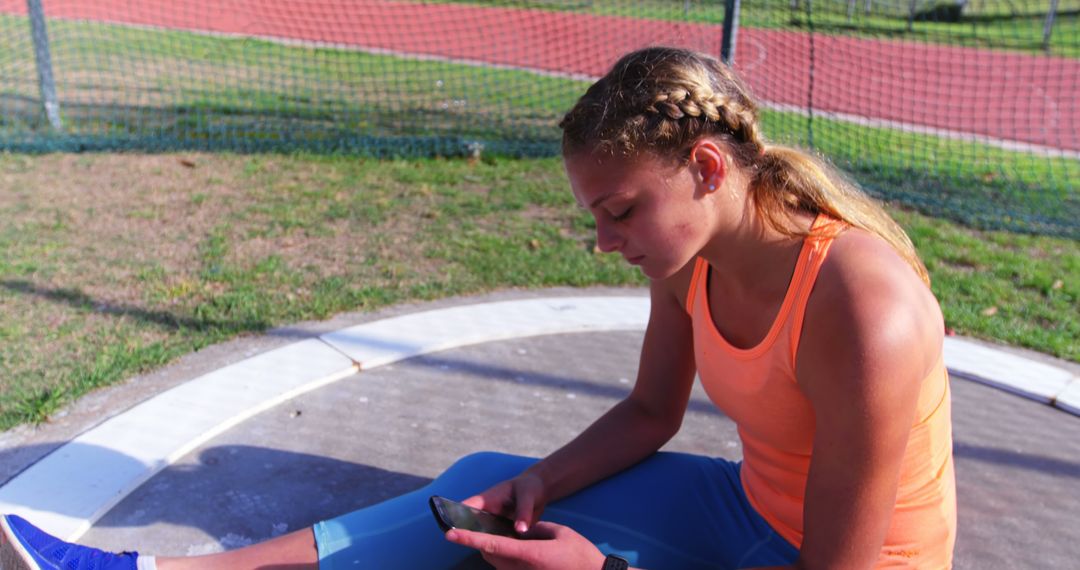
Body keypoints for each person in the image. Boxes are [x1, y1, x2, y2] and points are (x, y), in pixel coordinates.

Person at [1, 46, 955, 570]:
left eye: (621, 211)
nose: (604, 239)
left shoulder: (865, 308)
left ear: (707, 170)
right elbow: (651, 413)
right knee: (484, 487)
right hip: (743, 508)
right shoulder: (690, 254)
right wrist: (542, 481)